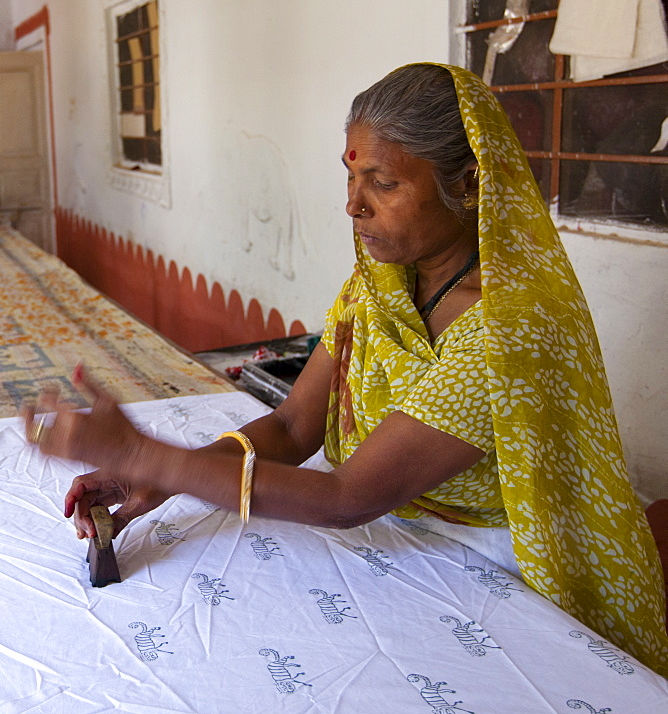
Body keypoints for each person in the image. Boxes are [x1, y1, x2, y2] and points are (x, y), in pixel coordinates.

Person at [24, 63, 668, 677]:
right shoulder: (380, 286)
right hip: (391, 529)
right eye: (351, 179)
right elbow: (293, 427)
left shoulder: (506, 328)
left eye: (384, 184)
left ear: (469, 185)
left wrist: (150, 457)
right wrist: (161, 484)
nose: (355, 205)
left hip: (490, 561)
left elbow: (345, 497)